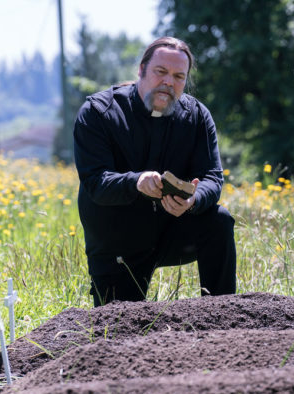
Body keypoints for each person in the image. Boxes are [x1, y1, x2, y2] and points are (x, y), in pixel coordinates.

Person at [73, 37, 237, 307]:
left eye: (178, 76)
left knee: (218, 220)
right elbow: (95, 182)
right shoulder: (99, 113)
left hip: (173, 231)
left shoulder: (196, 117)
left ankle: (223, 315)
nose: (168, 82)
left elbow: (213, 177)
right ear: (141, 70)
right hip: (118, 243)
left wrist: (193, 199)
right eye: (161, 72)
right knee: (116, 332)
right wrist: (136, 182)